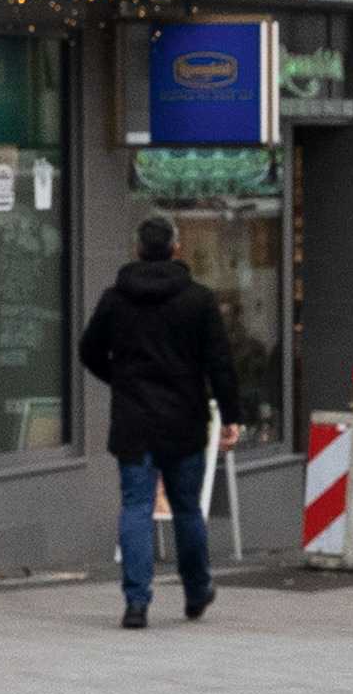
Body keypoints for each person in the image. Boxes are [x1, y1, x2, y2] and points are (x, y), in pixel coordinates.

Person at [78, 215, 236, 629]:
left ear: (137, 250)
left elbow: (89, 350)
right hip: (185, 419)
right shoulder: (199, 300)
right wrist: (232, 414)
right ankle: (197, 591)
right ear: (176, 248)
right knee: (186, 509)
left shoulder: (115, 298)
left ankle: (136, 602)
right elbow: (219, 362)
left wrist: (121, 379)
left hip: (134, 419)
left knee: (135, 506)